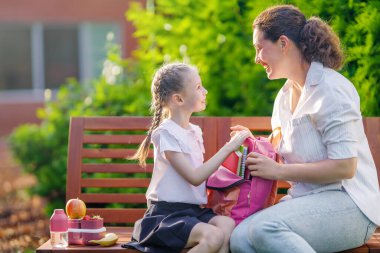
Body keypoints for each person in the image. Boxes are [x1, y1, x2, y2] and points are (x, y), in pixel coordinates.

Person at [230, 5, 380, 253]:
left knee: (265, 228)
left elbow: (345, 166)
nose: (256, 58)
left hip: (352, 205)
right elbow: (285, 150)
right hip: (307, 201)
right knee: (239, 239)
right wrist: (253, 143)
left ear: (283, 43)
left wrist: (279, 170)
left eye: (259, 48)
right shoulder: (284, 97)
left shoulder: (331, 90)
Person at [124, 63, 250, 253]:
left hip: (194, 212)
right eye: (198, 87)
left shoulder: (194, 132)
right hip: (167, 215)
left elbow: (202, 176)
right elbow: (194, 176)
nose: (205, 91)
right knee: (214, 235)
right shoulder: (165, 133)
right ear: (179, 99)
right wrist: (230, 147)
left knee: (227, 225)